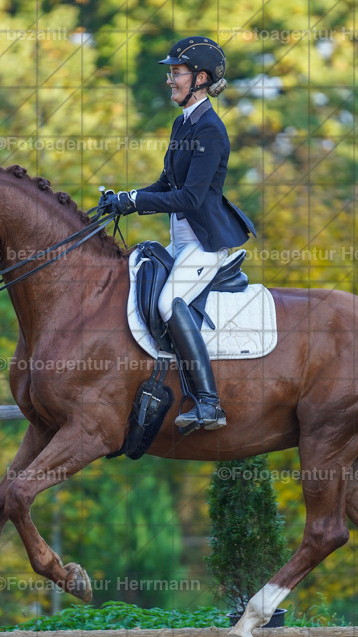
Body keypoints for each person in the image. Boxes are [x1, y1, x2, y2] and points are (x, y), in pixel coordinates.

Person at [102, 36, 255, 433]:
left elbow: (189, 197)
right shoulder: (182, 122)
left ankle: (209, 403)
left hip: (205, 243)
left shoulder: (210, 130)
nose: (170, 80)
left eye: (177, 73)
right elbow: (165, 183)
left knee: (170, 303)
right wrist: (124, 198)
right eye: (170, 73)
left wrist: (137, 202)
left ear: (200, 79)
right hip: (183, 241)